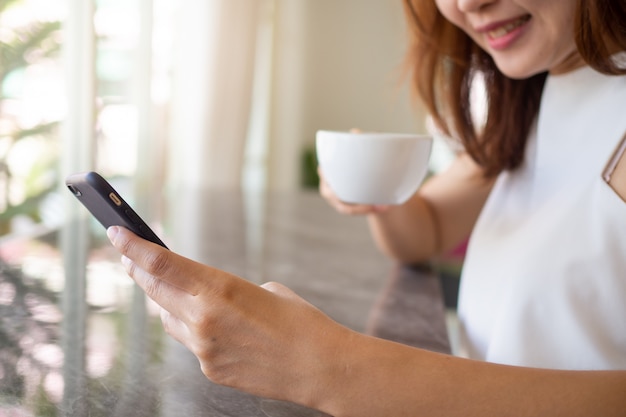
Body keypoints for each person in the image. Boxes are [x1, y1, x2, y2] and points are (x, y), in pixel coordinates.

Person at [106, 0, 626, 415]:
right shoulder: (539, 91)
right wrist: (380, 192)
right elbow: (424, 231)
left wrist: (326, 367)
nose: (469, 3)